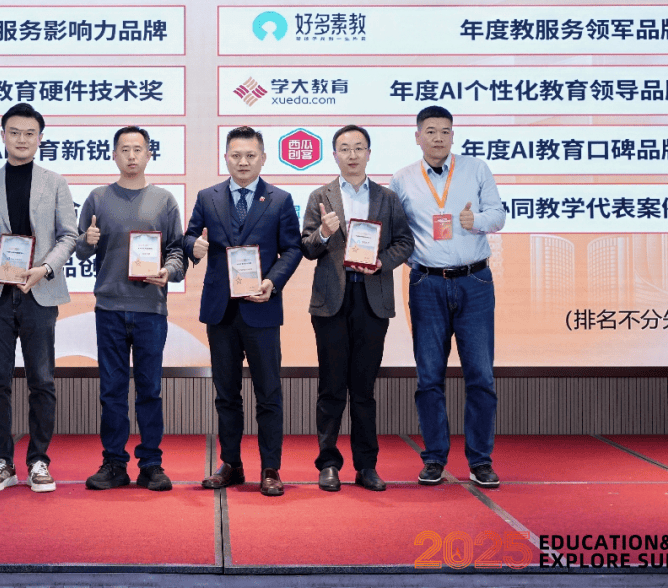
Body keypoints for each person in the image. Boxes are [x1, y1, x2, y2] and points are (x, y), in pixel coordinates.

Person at [0, 103, 77, 493]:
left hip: (39, 289)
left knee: (42, 379)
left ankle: (39, 460)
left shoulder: (55, 183)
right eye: (14, 132)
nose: (22, 139)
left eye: (29, 133)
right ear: (2, 136)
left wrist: (46, 268)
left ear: (40, 139)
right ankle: (2, 462)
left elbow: (69, 236)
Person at [389, 106, 505, 489]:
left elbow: (499, 214)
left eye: (445, 131)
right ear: (417, 136)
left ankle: (481, 461)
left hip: (475, 283)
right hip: (427, 284)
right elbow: (395, 231)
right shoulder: (402, 179)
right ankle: (435, 458)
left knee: (481, 376)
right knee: (429, 377)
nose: (438, 137)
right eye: (430, 131)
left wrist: (478, 221)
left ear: (453, 135)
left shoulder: (476, 169)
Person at [184, 126, 303, 497]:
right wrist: (193, 247)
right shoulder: (208, 197)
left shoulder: (280, 200)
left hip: (260, 307)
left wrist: (273, 281)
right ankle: (231, 464)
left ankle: (270, 468)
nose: (243, 162)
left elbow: (293, 249)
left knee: (268, 393)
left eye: (251, 155)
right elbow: (189, 237)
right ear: (226, 158)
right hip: (220, 310)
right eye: (236, 155)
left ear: (263, 158)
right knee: (226, 394)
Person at [300, 125, 413, 492]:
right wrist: (324, 232)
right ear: (334, 155)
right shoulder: (320, 196)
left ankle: (367, 466)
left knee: (364, 390)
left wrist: (381, 262)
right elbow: (307, 247)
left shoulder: (387, 198)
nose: (352, 155)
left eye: (358, 148)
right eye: (345, 148)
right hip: (331, 301)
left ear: (368, 153)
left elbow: (404, 242)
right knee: (331, 387)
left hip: (371, 299)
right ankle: (328, 464)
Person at [74, 126, 186, 491]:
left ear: (149, 154)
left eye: (138, 149)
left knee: (150, 390)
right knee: (112, 390)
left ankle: (151, 464)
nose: (132, 155)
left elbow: (177, 250)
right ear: (114, 155)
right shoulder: (97, 198)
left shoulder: (164, 200)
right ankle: (114, 463)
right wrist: (87, 240)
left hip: (150, 308)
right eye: (125, 149)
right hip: (109, 307)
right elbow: (82, 250)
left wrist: (169, 271)